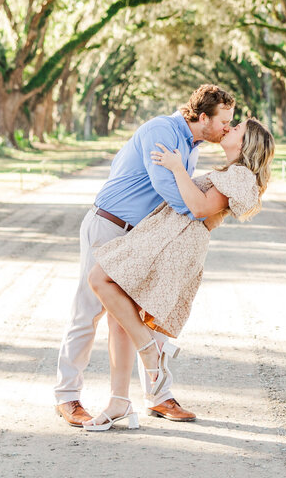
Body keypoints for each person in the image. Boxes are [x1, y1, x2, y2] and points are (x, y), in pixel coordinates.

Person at [53, 85, 236, 428]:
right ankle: (68, 397)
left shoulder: (191, 146)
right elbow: (175, 195)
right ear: (202, 118)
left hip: (140, 236)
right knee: (88, 312)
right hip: (108, 224)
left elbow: (180, 192)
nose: (228, 127)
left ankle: (157, 396)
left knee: (143, 313)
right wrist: (200, 204)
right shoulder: (161, 132)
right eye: (224, 121)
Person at [81, 118, 275, 431]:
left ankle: (150, 354)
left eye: (237, 128)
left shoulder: (240, 175)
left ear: (245, 144)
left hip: (175, 241)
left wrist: (176, 167)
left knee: (99, 278)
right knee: (120, 317)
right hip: (167, 235)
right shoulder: (230, 172)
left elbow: (199, 208)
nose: (230, 127)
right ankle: (119, 401)